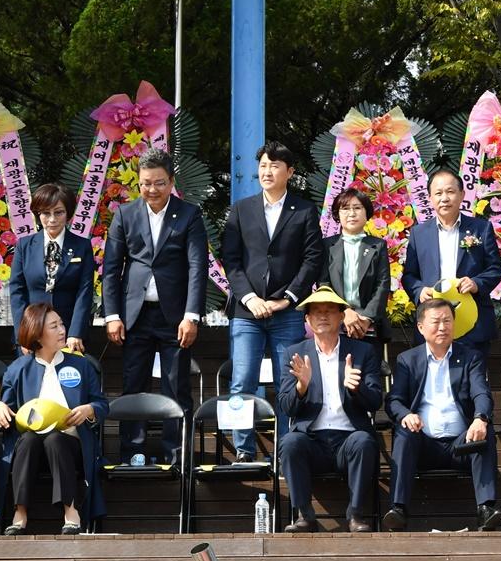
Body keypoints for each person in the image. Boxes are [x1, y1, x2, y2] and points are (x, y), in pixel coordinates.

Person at [102, 148, 208, 465]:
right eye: (146, 183)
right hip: (134, 316)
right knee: (134, 384)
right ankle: (133, 452)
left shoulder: (189, 214)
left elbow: (196, 267)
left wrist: (192, 316)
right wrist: (112, 316)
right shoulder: (125, 214)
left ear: (171, 181)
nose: (152, 189)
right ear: (138, 182)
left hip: (175, 316)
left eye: (159, 183)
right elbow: (110, 268)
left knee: (177, 387)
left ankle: (178, 454)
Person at [222, 141, 324, 461]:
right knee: (242, 381)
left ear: (289, 172)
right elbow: (231, 260)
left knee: (288, 382)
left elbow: (312, 259)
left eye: (275, 166)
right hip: (246, 310)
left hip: (288, 311)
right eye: (264, 165)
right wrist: (250, 298)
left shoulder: (305, 210)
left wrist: (289, 298)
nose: (267, 171)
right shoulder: (241, 209)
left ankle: (285, 449)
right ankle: (243, 451)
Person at [383, 298, 501, 531]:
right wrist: (406, 415)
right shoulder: (408, 360)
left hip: (461, 444)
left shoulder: (471, 357)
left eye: (447, 321)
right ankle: (398, 509)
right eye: (436, 321)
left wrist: (480, 418)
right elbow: (394, 400)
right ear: (420, 327)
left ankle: (486, 508)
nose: (442, 327)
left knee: (483, 432)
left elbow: (482, 393)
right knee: (403, 433)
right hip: (423, 444)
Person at [0, 304, 108, 535]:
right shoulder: (18, 369)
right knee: (28, 440)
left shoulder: (81, 364)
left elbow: (102, 404)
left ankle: (71, 511)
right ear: (37, 333)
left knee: (55, 439)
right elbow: (8, 409)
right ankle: (20, 513)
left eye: (62, 324)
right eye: (54, 326)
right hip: (31, 448)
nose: (62, 330)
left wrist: (88, 409)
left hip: (70, 445)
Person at [277, 287, 382, 533]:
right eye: (316, 312)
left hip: (348, 438)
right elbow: (285, 405)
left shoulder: (362, 351)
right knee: (290, 443)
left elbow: (375, 400)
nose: (322, 316)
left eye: (329, 311)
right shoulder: (295, 353)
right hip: (311, 439)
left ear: (342, 316)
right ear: (307, 319)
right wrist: (301, 387)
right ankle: (304, 515)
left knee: (365, 441)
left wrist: (356, 389)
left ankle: (356, 515)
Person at [401, 168, 501, 358]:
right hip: (432, 322)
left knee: (473, 383)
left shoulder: (481, 228)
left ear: (462, 195)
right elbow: (409, 275)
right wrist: (418, 290)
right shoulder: (419, 234)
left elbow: (496, 269)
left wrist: (476, 283)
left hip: (473, 320)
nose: (444, 198)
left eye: (450, 191)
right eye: (438, 193)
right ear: (430, 198)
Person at [9, 183, 95, 355]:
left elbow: (84, 291)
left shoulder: (82, 246)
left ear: (68, 214)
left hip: (68, 334)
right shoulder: (24, 245)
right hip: (33, 332)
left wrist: (75, 332)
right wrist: (23, 334)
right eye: (45, 213)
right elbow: (17, 291)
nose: (52, 219)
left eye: (59, 212)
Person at [320, 188, 391, 354]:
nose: (351, 213)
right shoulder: (327, 246)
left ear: (367, 214)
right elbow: (323, 283)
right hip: (336, 321)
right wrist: (344, 312)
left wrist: (366, 318)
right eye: (345, 209)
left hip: (369, 324)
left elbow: (383, 284)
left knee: (369, 375)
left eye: (357, 208)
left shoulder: (378, 245)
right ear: (337, 215)